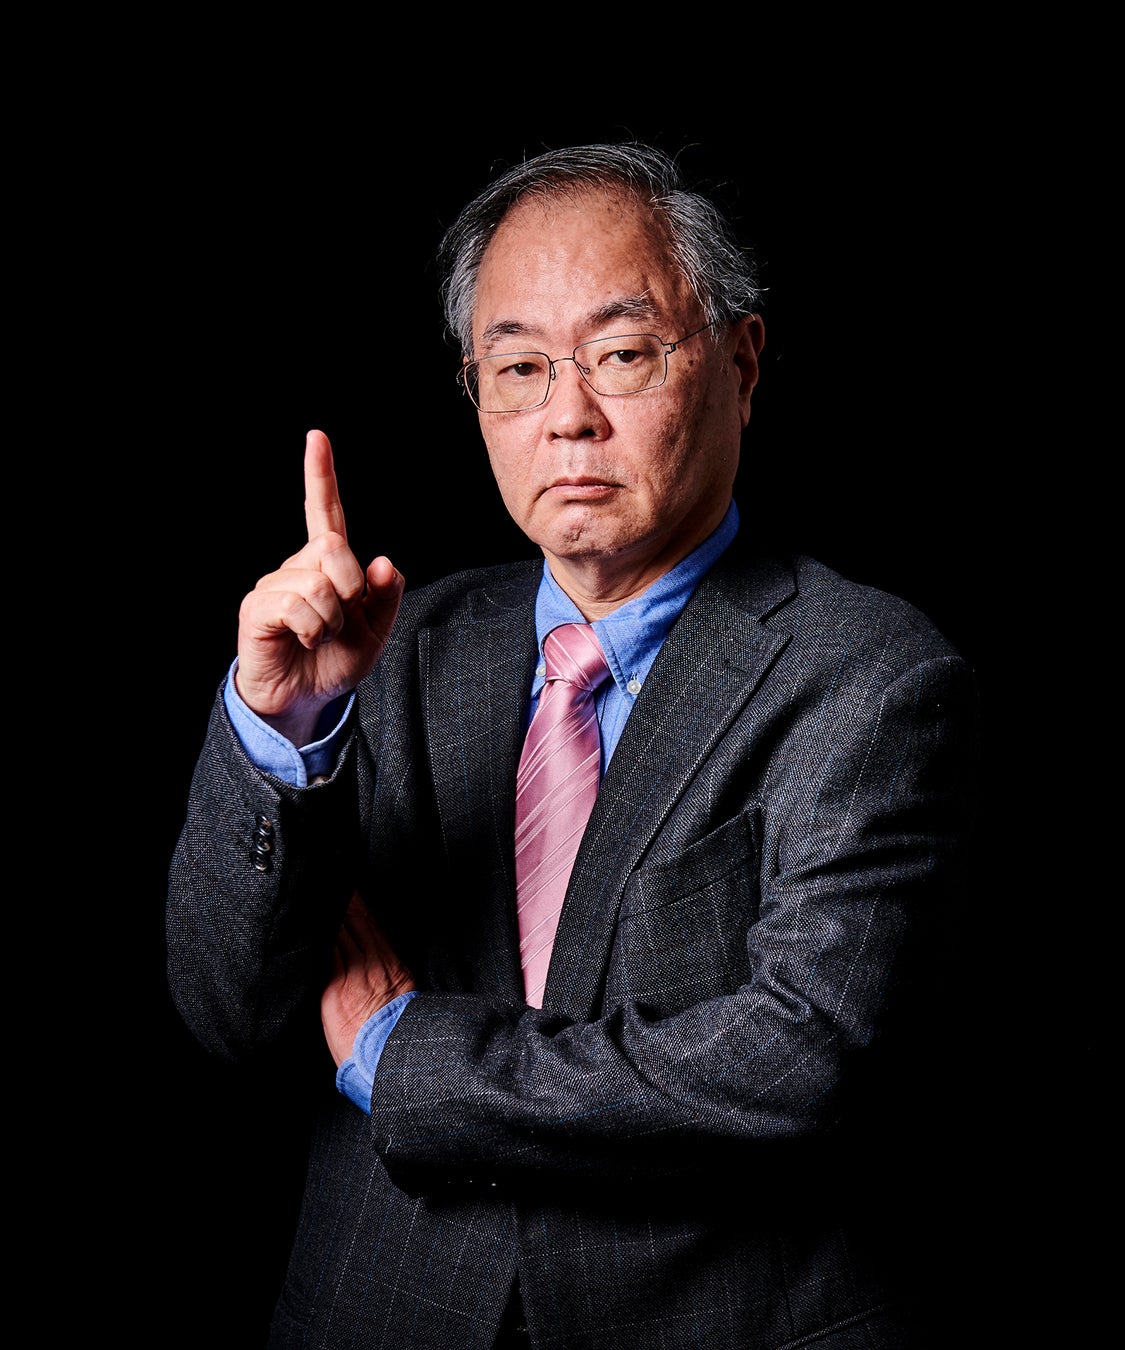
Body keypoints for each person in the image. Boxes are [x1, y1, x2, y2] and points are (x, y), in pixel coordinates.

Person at [167, 141, 979, 1348]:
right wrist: (279, 725)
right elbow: (229, 1013)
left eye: (623, 354)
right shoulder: (390, 651)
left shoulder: (871, 675)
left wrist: (403, 1055)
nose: (569, 418)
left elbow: (797, 1057)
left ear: (742, 363)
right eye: (519, 368)